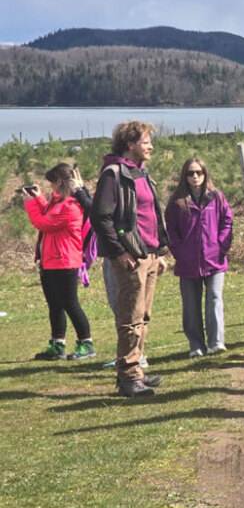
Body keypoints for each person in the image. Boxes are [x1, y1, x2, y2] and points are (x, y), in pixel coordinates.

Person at [92, 121, 169, 397]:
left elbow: (152, 216)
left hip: (148, 255)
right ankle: (127, 377)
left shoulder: (140, 173)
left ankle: (137, 369)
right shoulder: (113, 174)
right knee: (130, 317)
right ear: (130, 144)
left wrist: (159, 252)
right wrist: (120, 251)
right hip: (130, 257)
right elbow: (101, 217)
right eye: (146, 141)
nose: (150, 146)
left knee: (143, 317)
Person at [23, 163, 94, 361]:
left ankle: (86, 342)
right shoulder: (57, 203)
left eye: (52, 183)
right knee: (54, 305)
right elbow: (47, 212)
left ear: (60, 182)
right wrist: (38, 199)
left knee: (70, 304)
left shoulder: (70, 207)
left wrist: (29, 204)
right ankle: (57, 344)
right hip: (50, 262)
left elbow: (44, 223)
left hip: (65, 262)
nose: (51, 187)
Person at [165, 157, 233, 358]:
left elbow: (227, 222)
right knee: (191, 304)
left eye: (199, 172)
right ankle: (196, 345)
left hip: (215, 260)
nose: (195, 176)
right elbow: (170, 230)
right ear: (184, 176)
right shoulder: (177, 202)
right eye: (190, 173)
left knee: (214, 298)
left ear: (205, 174)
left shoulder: (217, 197)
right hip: (188, 262)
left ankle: (216, 342)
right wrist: (179, 252)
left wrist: (221, 245)